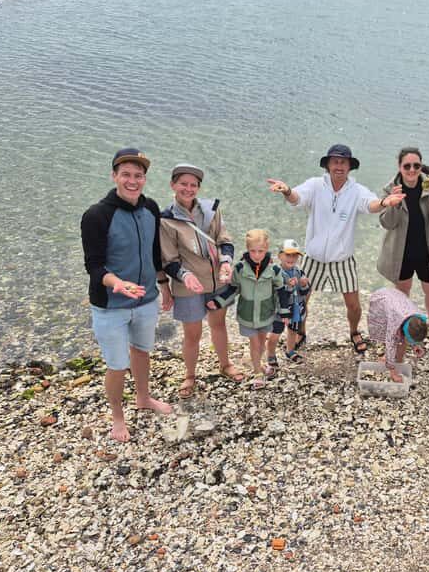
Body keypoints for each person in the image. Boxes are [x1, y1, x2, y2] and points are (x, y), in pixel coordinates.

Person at [266, 144, 405, 354]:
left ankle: (354, 331)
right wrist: (287, 191)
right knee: (301, 300)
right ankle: (301, 331)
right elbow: (297, 198)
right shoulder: (315, 185)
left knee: (354, 305)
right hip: (313, 258)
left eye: (343, 162)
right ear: (328, 165)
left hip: (343, 258)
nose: (339, 166)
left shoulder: (356, 190)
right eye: (335, 161)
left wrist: (385, 201)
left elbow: (371, 204)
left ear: (349, 166)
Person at [80, 148, 173, 443]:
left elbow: (154, 253)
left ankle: (144, 398)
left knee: (142, 351)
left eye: (138, 175)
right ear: (114, 176)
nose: (132, 181)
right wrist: (116, 283)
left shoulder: (151, 209)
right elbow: (93, 266)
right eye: (126, 175)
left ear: (144, 179)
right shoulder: (96, 215)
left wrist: (164, 285)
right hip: (111, 305)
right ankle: (118, 417)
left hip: (146, 300)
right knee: (118, 364)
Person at [158, 163, 245, 397]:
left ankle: (225, 364)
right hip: (188, 286)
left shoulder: (211, 211)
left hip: (217, 280)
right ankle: (189, 375)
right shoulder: (166, 220)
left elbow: (225, 240)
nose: (188, 189)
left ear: (198, 187)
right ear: (173, 185)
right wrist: (185, 277)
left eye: (193, 185)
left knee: (219, 325)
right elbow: (169, 259)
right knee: (192, 333)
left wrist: (226, 262)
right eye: (183, 184)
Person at [376, 148, 429, 342]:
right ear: (399, 167)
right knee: (402, 292)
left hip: (427, 249)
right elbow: (387, 223)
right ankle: (404, 326)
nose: (411, 170)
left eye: (416, 165)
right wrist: (393, 203)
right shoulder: (390, 189)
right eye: (406, 166)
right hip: (401, 251)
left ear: (421, 166)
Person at [209, 230, 290, 389]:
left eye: (261, 251)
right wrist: (218, 302)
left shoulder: (274, 270)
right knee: (254, 342)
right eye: (253, 251)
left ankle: (258, 363)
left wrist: (284, 311)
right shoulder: (239, 268)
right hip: (247, 315)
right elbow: (233, 289)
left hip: (266, 314)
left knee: (261, 342)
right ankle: (257, 373)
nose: (257, 255)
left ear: (266, 249)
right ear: (247, 249)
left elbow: (281, 291)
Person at [266, 239, 311, 368]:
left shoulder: (299, 271)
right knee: (275, 334)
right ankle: (270, 355)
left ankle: (290, 351)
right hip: (280, 311)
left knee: (293, 331)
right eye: (288, 254)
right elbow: (275, 293)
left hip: (296, 308)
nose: (291, 258)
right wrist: (289, 287)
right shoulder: (275, 272)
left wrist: (303, 285)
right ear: (280, 256)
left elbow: (304, 293)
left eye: (295, 255)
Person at [367, 287, 428, 382]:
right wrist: (393, 372)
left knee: (400, 340)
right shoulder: (394, 324)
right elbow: (390, 344)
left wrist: (416, 345)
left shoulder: (418, 318)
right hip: (380, 300)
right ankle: (389, 359)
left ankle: (394, 360)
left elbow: (415, 331)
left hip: (395, 298)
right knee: (389, 336)